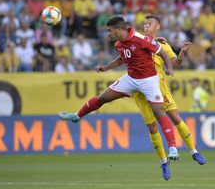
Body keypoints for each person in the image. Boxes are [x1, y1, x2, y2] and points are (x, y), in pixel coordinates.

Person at [59, 16, 174, 180]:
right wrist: (105, 68)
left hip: (149, 80)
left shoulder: (141, 39)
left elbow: (162, 53)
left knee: (158, 112)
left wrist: (169, 68)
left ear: (119, 30)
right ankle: (78, 116)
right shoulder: (119, 44)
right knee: (103, 98)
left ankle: (172, 150)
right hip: (131, 79)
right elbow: (122, 58)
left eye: (109, 31)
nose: (107, 34)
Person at [132, 15, 206, 164]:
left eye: (150, 23)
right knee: (152, 126)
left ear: (157, 27)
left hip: (160, 88)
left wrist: (183, 52)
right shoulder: (136, 41)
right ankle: (164, 161)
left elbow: (175, 63)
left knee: (176, 118)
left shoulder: (163, 45)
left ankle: (194, 151)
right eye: (145, 24)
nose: (146, 26)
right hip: (141, 90)